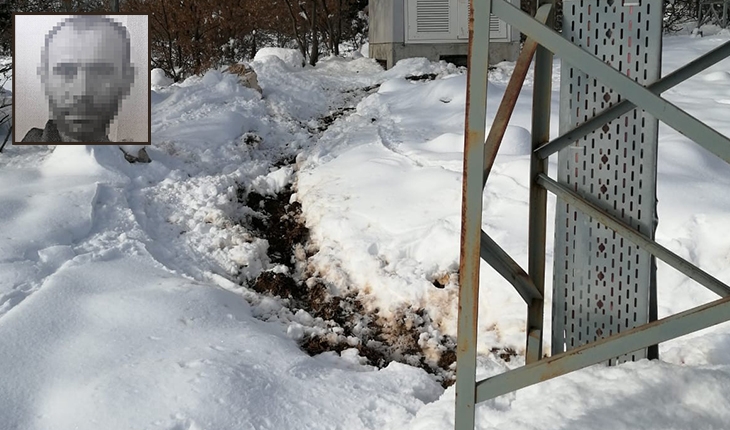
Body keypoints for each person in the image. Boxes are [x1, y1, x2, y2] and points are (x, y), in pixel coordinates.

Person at [21, 15, 135, 143]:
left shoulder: (129, 158)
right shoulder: (23, 154)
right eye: (66, 71)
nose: (82, 92)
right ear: (45, 78)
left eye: (100, 71)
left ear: (125, 81)